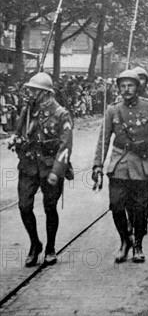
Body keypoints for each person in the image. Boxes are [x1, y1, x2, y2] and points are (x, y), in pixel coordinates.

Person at [92, 70, 148, 263]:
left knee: (140, 207)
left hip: (143, 164)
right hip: (119, 163)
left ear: (138, 87)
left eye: (130, 85)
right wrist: (97, 165)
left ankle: (138, 245)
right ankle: (125, 240)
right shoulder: (112, 110)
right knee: (116, 205)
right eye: (122, 86)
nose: (126, 90)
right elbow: (104, 139)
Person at [10, 72, 73, 267]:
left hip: (49, 166)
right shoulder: (28, 110)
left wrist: (56, 170)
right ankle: (35, 243)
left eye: (33, 90)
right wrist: (14, 138)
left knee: (50, 207)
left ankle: (51, 248)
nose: (29, 93)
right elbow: (19, 130)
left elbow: (66, 145)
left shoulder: (61, 113)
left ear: (45, 93)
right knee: (24, 206)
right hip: (29, 165)